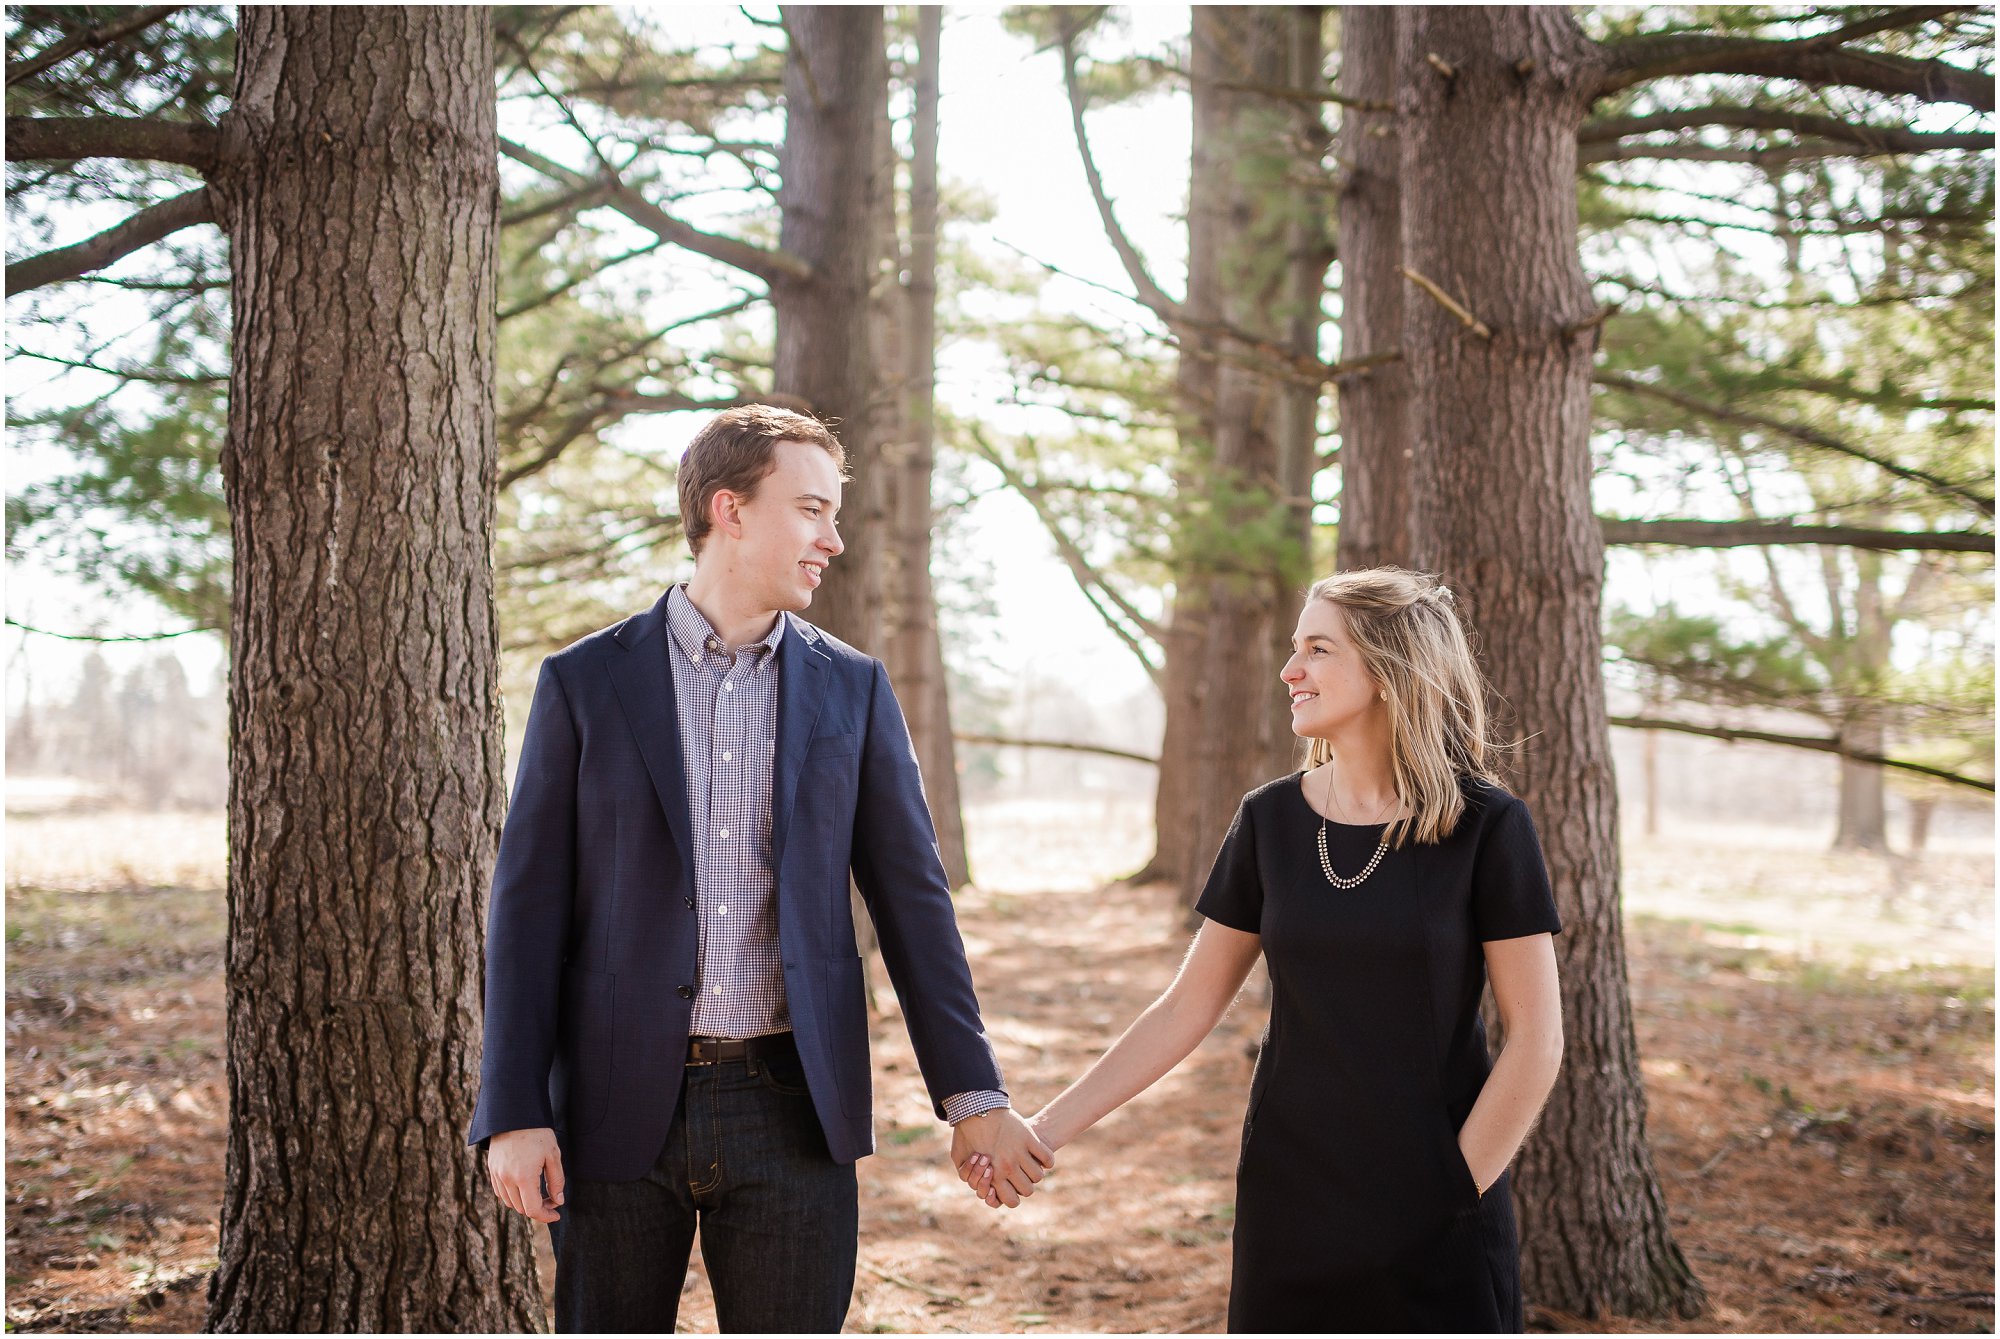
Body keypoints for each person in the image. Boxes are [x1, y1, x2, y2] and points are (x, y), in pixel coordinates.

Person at [469, 404, 1052, 1333]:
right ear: (728, 509)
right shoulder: (585, 682)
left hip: (793, 1109)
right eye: (812, 509)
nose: (834, 538)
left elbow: (914, 904)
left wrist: (971, 1094)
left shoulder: (851, 688)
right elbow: (526, 911)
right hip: (614, 1107)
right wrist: (512, 1108)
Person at [976, 567, 1564, 1332]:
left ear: (1388, 672)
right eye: (1295, 647)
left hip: (1436, 1194)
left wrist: (1449, 1194)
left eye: (1317, 649)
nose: (1291, 670)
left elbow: (1536, 1038)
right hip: (1292, 1197)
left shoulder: (1487, 826)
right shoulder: (1270, 821)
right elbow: (1186, 1007)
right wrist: (1043, 1130)